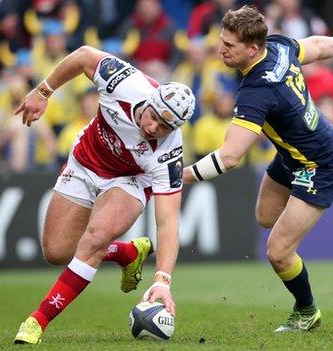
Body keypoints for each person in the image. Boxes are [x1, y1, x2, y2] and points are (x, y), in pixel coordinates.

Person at [182, 5, 333, 332]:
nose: (220, 49)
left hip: (321, 163)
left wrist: (183, 175)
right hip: (292, 155)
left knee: (279, 252)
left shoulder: (257, 90)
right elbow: (314, 46)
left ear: (253, 48)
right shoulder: (279, 45)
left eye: (229, 46)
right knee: (265, 217)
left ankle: (306, 311)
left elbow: (230, 157)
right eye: (221, 40)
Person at [12, 45, 196, 344]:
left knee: (95, 237)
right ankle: (127, 252)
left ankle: (37, 320)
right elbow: (84, 55)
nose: (153, 127)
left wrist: (163, 279)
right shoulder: (125, 82)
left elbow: (168, 222)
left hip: (130, 180)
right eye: (154, 117)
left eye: (164, 126)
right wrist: (44, 91)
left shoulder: (168, 154)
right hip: (84, 163)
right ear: (150, 100)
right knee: (56, 252)